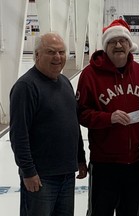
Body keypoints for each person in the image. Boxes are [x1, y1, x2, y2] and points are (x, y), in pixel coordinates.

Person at [76, 19, 139, 216]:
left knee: (132, 212)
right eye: (112, 41)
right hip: (105, 164)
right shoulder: (90, 75)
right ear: (105, 46)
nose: (118, 45)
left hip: (136, 162)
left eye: (122, 40)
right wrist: (108, 118)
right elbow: (81, 114)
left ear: (129, 45)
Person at [9, 32, 86, 216]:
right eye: (51, 52)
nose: (57, 57)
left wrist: (80, 158)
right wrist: (28, 172)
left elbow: (73, 125)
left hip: (67, 173)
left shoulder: (65, 82)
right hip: (41, 177)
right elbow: (19, 135)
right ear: (37, 55)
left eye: (61, 52)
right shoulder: (26, 86)